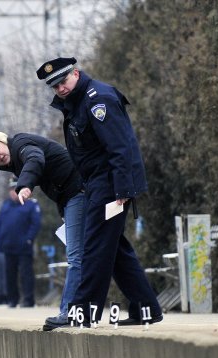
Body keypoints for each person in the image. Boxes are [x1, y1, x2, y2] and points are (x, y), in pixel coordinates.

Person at [36, 57, 162, 327]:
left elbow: (120, 147)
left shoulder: (97, 99)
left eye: (63, 81)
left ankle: (82, 313)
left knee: (94, 247)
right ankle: (146, 309)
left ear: (76, 74)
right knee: (114, 249)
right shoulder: (77, 103)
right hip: (98, 183)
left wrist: (122, 189)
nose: (59, 88)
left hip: (111, 184)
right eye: (54, 86)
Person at [0, 130, 85, 328]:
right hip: (73, 195)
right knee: (109, 250)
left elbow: (35, 158)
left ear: (2, 140)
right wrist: (63, 209)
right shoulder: (16, 160)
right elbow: (55, 182)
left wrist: (25, 185)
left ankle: (70, 311)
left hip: (79, 191)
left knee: (76, 255)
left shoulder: (20, 145)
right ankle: (143, 304)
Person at [0, 186, 41, 307]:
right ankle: (12, 299)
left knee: (26, 274)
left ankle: (28, 300)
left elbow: (35, 224)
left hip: (24, 247)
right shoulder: (5, 205)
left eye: (16, 189)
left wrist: (28, 239)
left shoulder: (30, 205)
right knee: (10, 274)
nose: (13, 193)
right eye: (11, 189)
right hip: (8, 246)